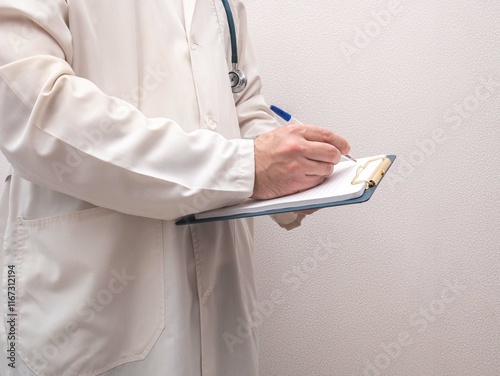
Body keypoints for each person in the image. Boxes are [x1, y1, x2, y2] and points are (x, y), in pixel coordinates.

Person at [0, 1, 350, 375]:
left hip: (221, 308)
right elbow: (34, 110)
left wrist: (294, 174)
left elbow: (242, 105)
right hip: (92, 307)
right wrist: (246, 168)